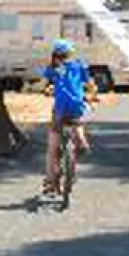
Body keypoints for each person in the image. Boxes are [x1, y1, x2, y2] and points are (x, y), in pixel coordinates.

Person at [41, 39, 95, 195]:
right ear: (71, 53)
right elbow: (90, 84)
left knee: (52, 148)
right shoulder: (79, 66)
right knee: (78, 122)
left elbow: (44, 84)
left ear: (55, 55)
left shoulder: (53, 68)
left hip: (60, 109)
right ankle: (80, 142)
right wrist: (92, 95)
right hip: (77, 107)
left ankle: (50, 180)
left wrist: (47, 89)